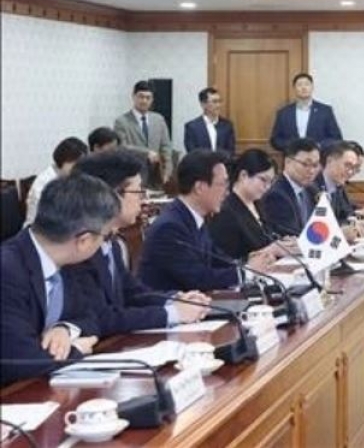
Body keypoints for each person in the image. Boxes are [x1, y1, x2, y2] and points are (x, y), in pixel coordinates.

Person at [68, 150, 209, 335]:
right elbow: (103, 318)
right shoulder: (81, 248)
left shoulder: (113, 243)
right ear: (112, 196)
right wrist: (173, 314)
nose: (144, 201)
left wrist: (175, 300)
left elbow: (132, 293)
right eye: (138, 192)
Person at [1, 174, 116, 384]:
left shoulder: (66, 260)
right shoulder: (8, 271)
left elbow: (92, 316)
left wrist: (65, 329)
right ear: (84, 241)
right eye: (105, 237)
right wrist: (76, 349)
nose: (104, 244)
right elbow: (21, 361)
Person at [138, 150, 275, 292]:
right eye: (222, 184)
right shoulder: (170, 227)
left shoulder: (194, 217)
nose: (227, 192)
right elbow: (198, 278)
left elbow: (218, 260)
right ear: (199, 188)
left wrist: (247, 263)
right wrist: (246, 272)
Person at [209, 150, 291, 261]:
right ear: (243, 175)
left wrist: (284, 243)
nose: (267, 187)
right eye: (263, 180)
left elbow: (267, 237)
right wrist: (270, 250)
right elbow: (226, 260)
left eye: (271, 182)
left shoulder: (258, 203)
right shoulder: (225, 211)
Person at [113, 80, 174, 185]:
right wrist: (146, 153)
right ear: (133, 96)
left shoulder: (159, 119)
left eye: (148, 97)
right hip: (133, 176)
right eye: (141, 97)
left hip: (156, 176)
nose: (144, 101)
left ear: (152, 99)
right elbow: (121, 147)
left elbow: (166, 147)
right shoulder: (121, 121)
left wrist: (167, 172)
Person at [261, 138, 322, 238]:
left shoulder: (312, 190)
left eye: (315, 165)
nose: (311, 171)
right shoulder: (276, 195)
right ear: (288, 162)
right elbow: (289, 233)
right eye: (305, 164)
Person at [269, 72, 342, 153]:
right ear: (294, 88)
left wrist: (318, 146)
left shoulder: (325, 111)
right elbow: (275, 140)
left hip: (318, 157)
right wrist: (292, 146)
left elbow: (336, 137)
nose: (303, 88)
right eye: (299, 85)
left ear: (312, 87)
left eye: (307, 84)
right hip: (292, 157)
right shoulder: (283, 113)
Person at [24, 137, 88, 227]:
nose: (79, 169)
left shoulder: (68, 177)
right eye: (76, 164)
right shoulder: (44, 182)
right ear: (64, 159)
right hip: (40, 227)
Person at [183, 87, 236, 153]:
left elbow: (230, 151)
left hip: (223, 160)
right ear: (203, 104)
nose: (218, 105)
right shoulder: (192, 127)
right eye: (214, 102)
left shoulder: (227, 126)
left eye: (219, 101)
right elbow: (192, 152)